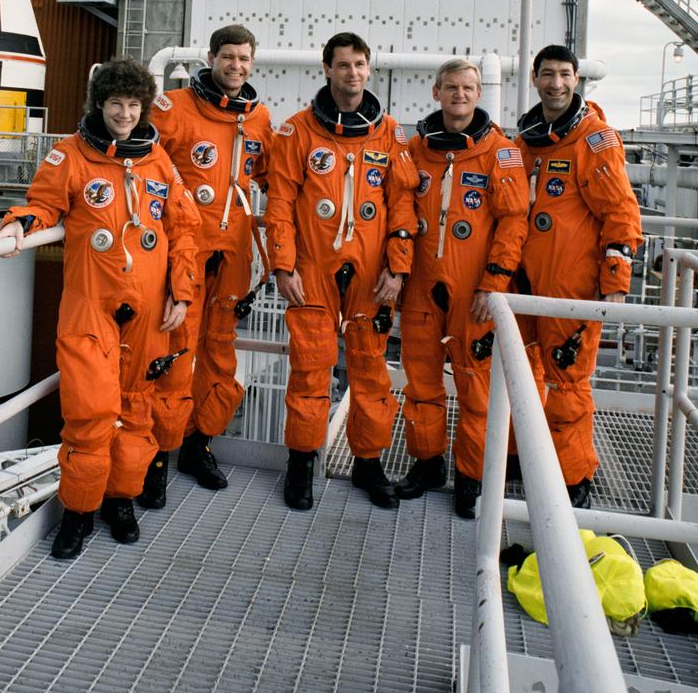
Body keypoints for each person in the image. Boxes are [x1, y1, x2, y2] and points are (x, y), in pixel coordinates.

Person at [0, 57, 200, 558]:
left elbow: (185, 229)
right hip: (91, 307)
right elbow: (42, 204)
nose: (125, 114)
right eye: (116, 104)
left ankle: (120, 500)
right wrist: (17, 224)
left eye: (133, 105)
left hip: (150, 308)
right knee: (89, 413)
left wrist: (183, 290)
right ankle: (79, 513)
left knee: (136, 412)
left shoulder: (158, 162)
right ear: (100, 105)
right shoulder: (71, 156)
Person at [266, 32, 418, 511]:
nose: (352, 74)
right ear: (326, 69)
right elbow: (280, 204)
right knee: (310, 369)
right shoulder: (297, 132)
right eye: (343, 65)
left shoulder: (390, 133)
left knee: (371, 370)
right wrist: (282, 265)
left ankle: (368, 463)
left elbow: (402, 206)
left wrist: (398, 268)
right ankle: (301, 463)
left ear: (368, 68)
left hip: (373, 274)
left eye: (359, 65)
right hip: (311, 269)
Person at [139, 24, 273, 507]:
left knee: (219, 354)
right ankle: (155, 458)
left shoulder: (258, 119)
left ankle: (200, 445)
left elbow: (271, 179)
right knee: (173, 355)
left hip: (233, 254)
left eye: (244, 58)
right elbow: (140, 167)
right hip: (182, 254)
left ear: (252, 64)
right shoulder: (174, 109)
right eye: (228, 57)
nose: (236, 66)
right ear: (211, 58)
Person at [396, 59, 529, 519]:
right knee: (421, 381)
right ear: (436, 92)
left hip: (474, 288)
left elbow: (514, 223)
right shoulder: (415, 149)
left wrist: (493, 283)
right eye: (451, 87)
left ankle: (470, 477)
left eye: (468, 87)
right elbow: (396, 211)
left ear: (479, 94)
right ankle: (428, 464)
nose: (459, 95)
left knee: (476, 390)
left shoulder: (501, 152)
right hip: (420, 285)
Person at [517, 44, 642, 508]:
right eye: (547, 74)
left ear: (576, 80)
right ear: (535, 79)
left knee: (567, 385)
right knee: (521, 373)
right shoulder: (528, 140)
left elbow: (621, 211)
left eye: (565, 74)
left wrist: (615, 282)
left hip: (570, 283)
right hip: (525, 278)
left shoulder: (594, 139)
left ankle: (573, 481)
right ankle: (523, 457)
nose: (556, 83)